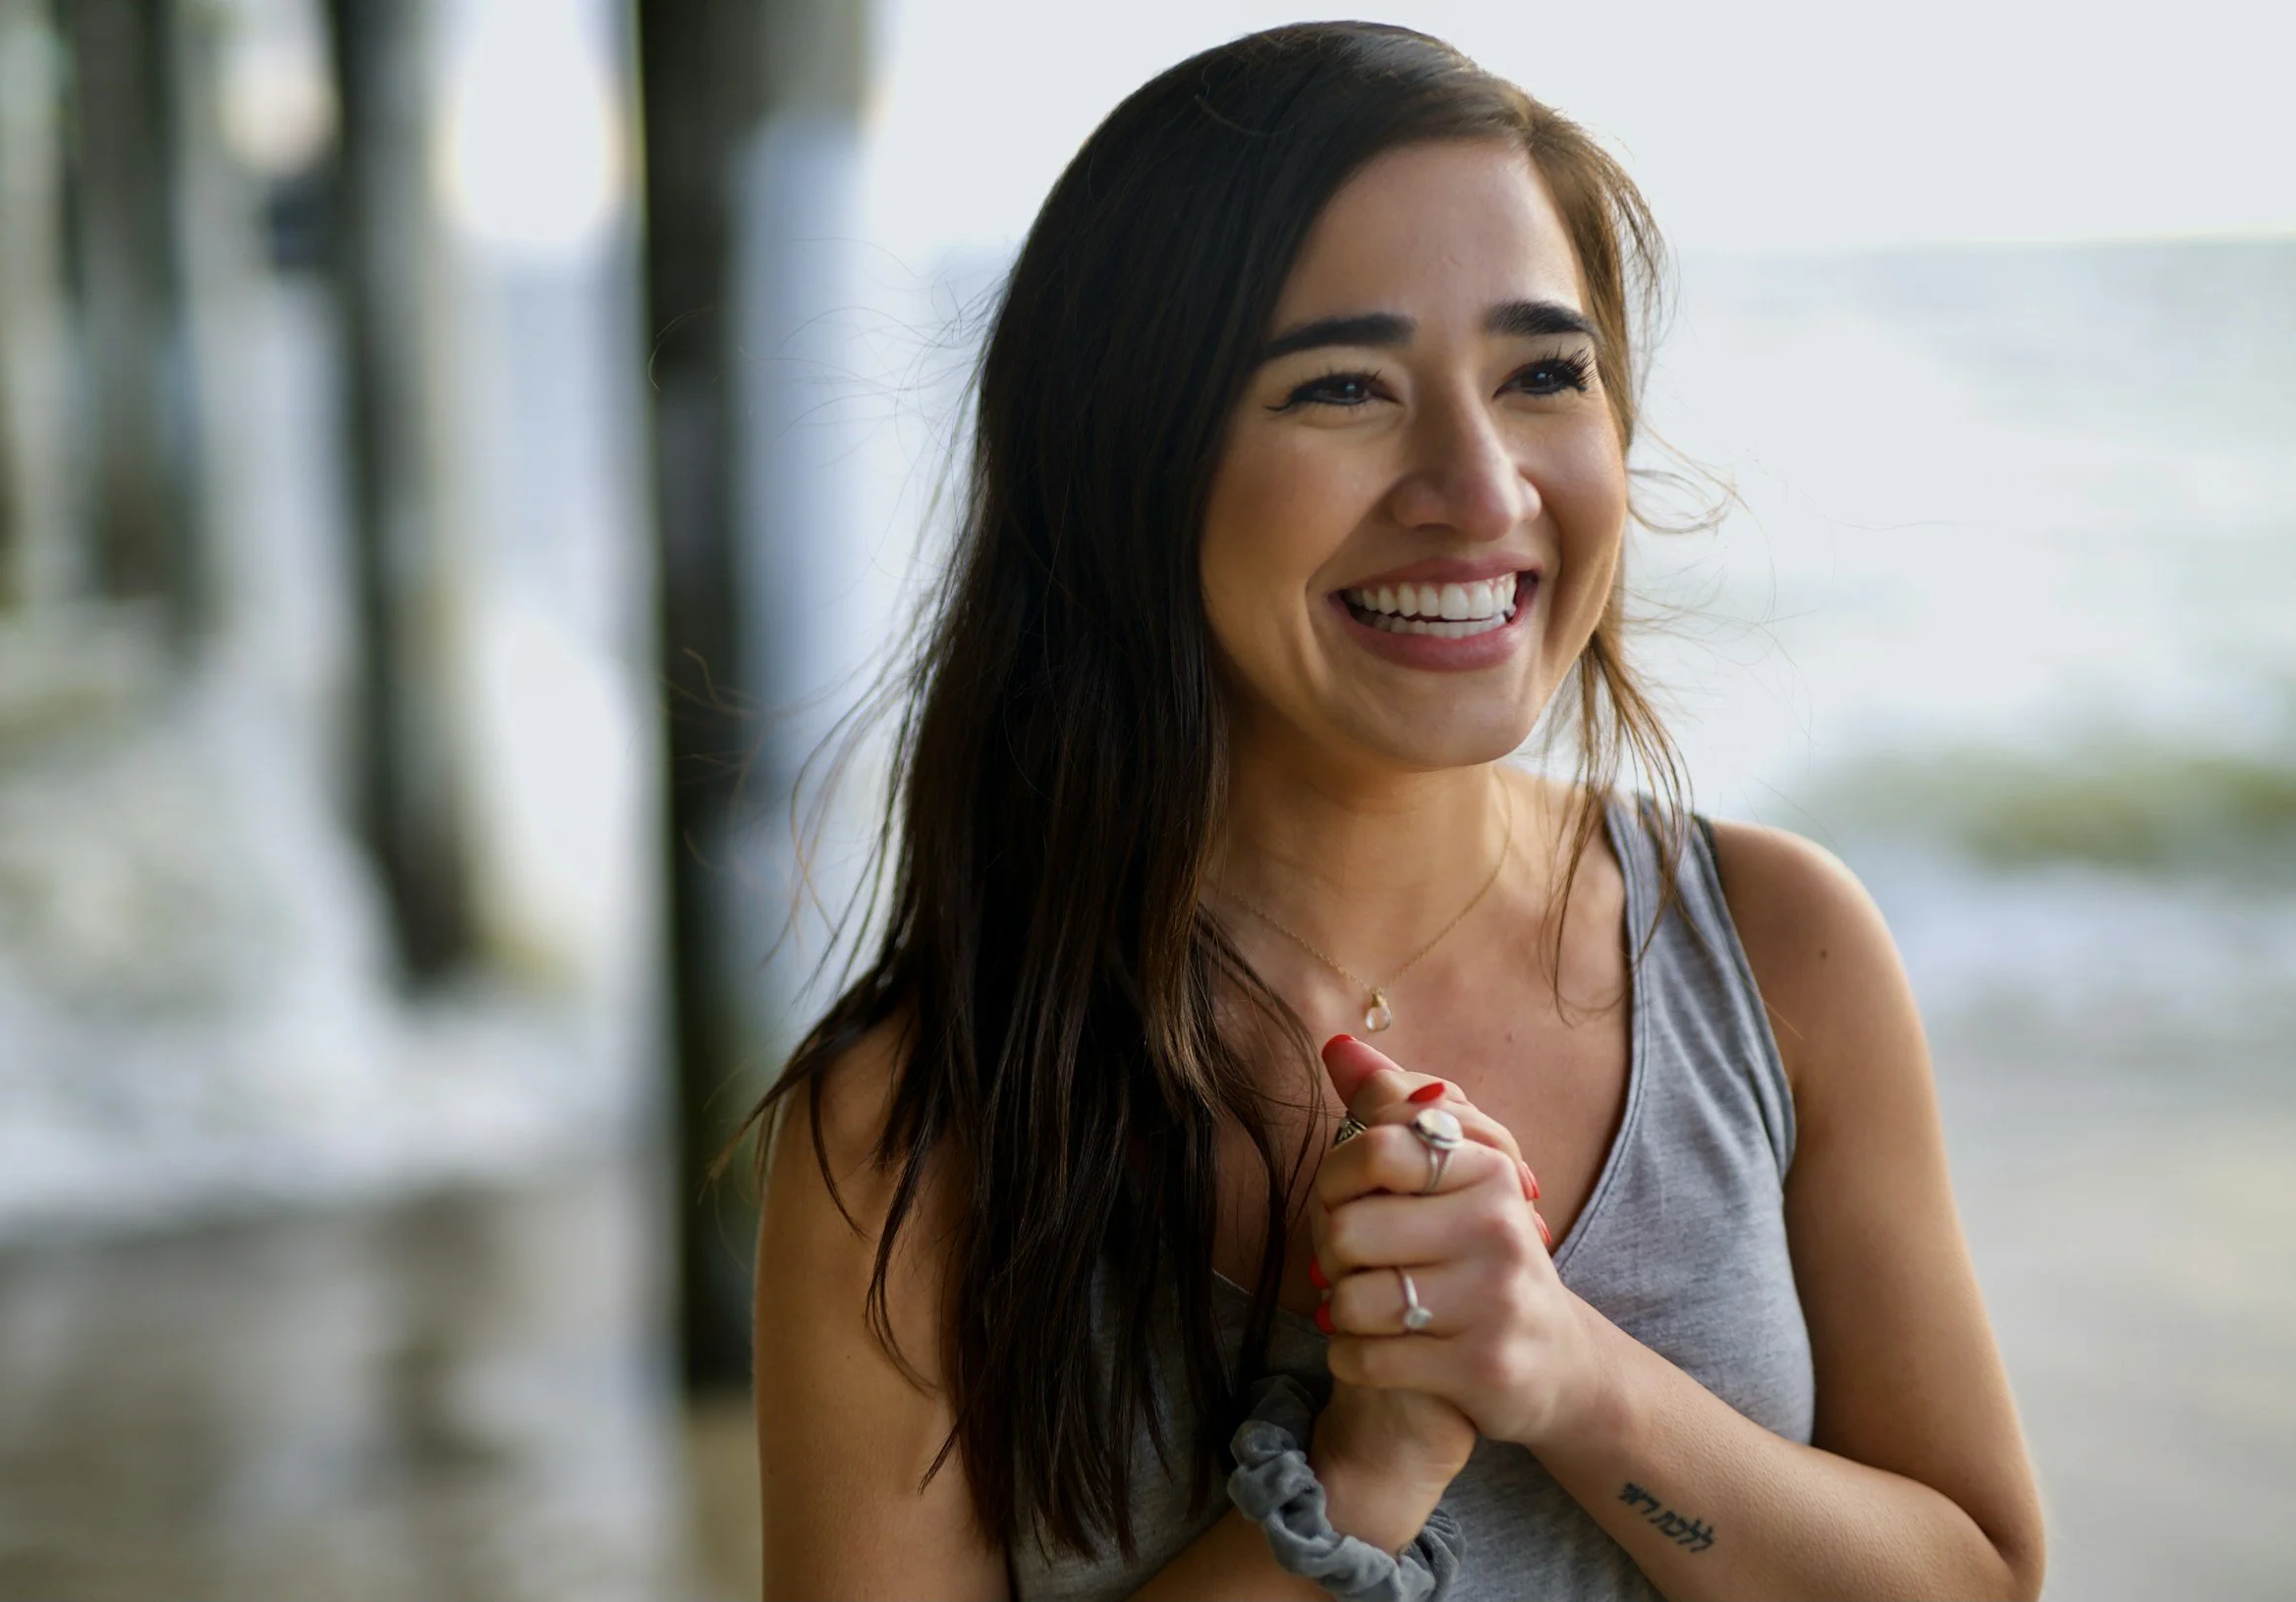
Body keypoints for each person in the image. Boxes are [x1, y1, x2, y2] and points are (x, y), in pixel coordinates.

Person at [744, 22, 2044, 1601]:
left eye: (1543, 374)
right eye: (1344, 385)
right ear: (1127, 461)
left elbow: (1973, 1577)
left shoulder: (1777, 949)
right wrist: (1353, 1477)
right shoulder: (916, 1127)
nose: (1482, 488)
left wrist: (1569, 1373)